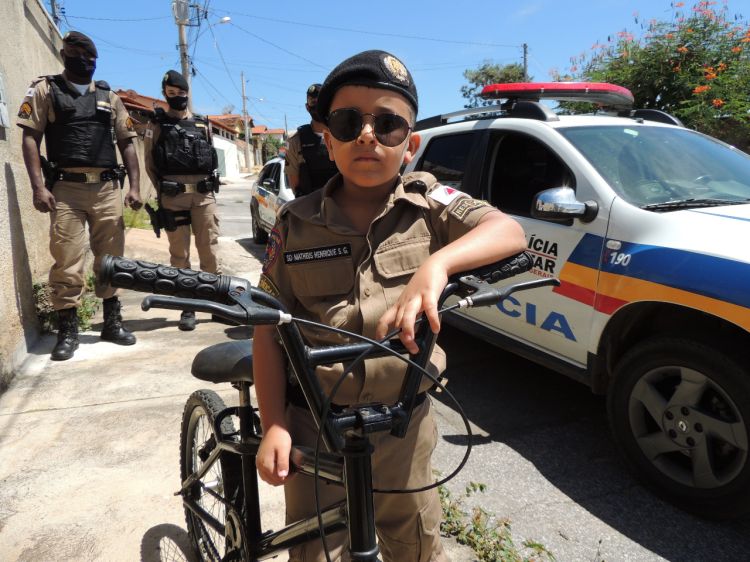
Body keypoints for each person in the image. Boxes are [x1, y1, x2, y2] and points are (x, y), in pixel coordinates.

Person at [253, 50, 527, 562]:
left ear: (410, 144)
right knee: (320, 551)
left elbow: (507, 231)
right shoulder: (294, 223)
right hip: (319, 428)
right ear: (327, 138)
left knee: (415, 546)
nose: (367, 135)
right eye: (348, 121)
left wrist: (436, 266)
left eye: (388, 124)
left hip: (405, 426)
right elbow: (268, 329)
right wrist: (274, 424)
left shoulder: (430, 202)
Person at [18, 31, 142, 362]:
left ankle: (112, 322)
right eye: (75, 56)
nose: (83, 62)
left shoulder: (109, 96)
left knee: (111, 258)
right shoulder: (46, 90)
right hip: (66, 190)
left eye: (89, 58)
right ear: (64, 55)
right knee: (67, 258)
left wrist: (134, 186)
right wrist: (37, 187)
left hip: (105, 188)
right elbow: (30, 137)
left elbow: (127, 141)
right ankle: (68, 329)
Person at [143, 70, 221, 331]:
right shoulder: (157, 125)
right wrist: (165, 191)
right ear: (165, 93)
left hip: (203, 195)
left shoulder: (202, 124)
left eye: (181, 92)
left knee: (209, 249)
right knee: (180, 254)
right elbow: (150, 164)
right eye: (171, 93)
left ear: (188, 92)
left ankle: (215, 302)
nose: (177, 97)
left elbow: (210, 159)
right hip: (173, 197)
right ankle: (187, 306)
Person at [285, 83, 339, 196]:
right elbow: (295, 184)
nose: (317, 107)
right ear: (307, 107)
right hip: (309, 209)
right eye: (313, 103)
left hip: (341, 207)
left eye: (321, 102)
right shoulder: (295, 141)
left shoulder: (343, 135)